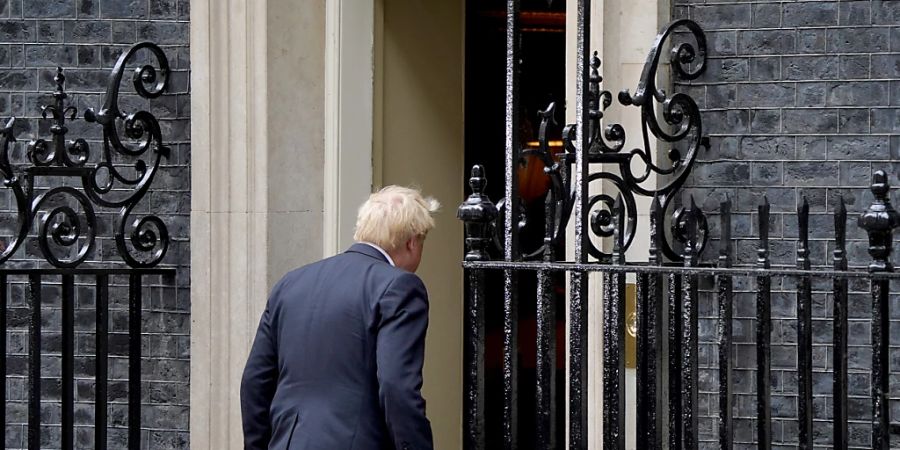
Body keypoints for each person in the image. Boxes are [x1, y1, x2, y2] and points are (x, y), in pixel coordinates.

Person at [240, 186, 439, 450]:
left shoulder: (291, 282)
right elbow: (396, 387)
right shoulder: (401, 287)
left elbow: (255, 382)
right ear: (412, 242)